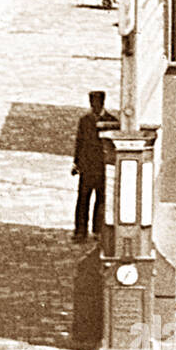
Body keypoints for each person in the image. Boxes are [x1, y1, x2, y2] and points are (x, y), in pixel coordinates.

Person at [72, 92, 117, 242]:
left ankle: (97, 230)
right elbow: (80, 142)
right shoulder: (85, 121)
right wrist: (76, 162)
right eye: (92, 103)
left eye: (96, 103)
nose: (94, 106)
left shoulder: (111, 121)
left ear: (102, 103)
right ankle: (80, 231)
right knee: (83, 199)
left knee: (101, 200)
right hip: (87, 167)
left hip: (102, 167)